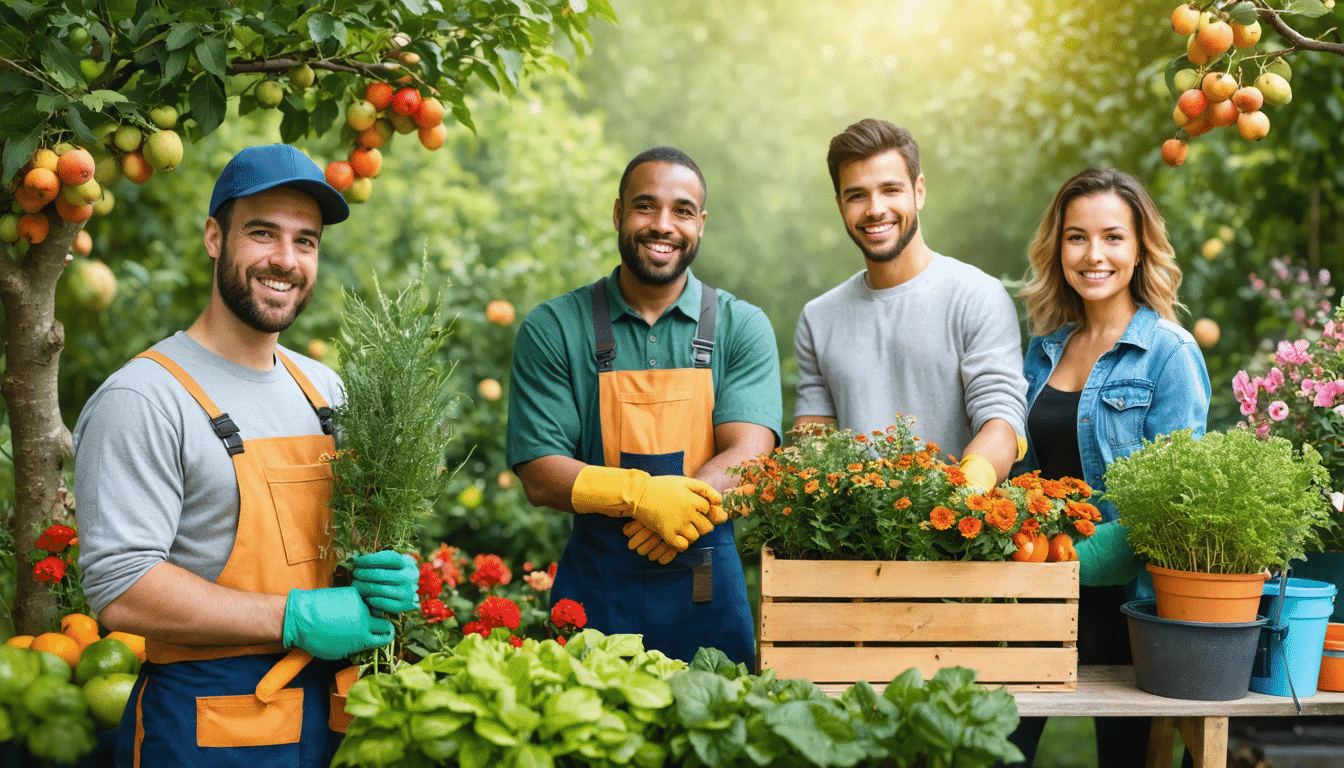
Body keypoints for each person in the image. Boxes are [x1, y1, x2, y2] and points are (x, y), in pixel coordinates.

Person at [73, 144, 420, 767]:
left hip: (329, 720)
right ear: (214, 237)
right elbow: (122, 588)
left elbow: (333, 548)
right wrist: (293, 615)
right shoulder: (146, 396)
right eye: (263, 233)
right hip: (206, 730)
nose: (285, 260)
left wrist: (378, 573)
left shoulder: (326, 391)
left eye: (305, 241)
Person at [506, 146, 782, 665]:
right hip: (597, 592)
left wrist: (683, 511)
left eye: (681, 211)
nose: (662, 225)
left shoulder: (740, 326)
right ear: (618, 214)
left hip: (706, 588)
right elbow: (541, 474)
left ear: (701, 224)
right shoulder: (555, 328)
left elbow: (750, 453)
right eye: (644, 206)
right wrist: (639, 498)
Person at [1008, 168, 1211, 768]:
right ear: (1058, 247)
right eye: (1076, 237)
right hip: (1040, 600)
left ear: (1140, 247)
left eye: (1112, 237)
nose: (1093, 254)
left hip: (1130, 610)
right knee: (1000, 749)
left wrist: (1065, 554)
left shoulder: (1169, 353)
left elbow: (1169, 512)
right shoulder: (1044, 347)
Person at [794, 118, 1027, 488]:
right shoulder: (818, 318)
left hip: (960, 533)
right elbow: (814, 438)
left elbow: (1001, 420)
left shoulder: (977, 296)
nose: (875, 209)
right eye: (857, 195)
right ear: (840, 205)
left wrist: (968, 487)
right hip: (857, 537)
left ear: (919, 191)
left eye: (890, 189)